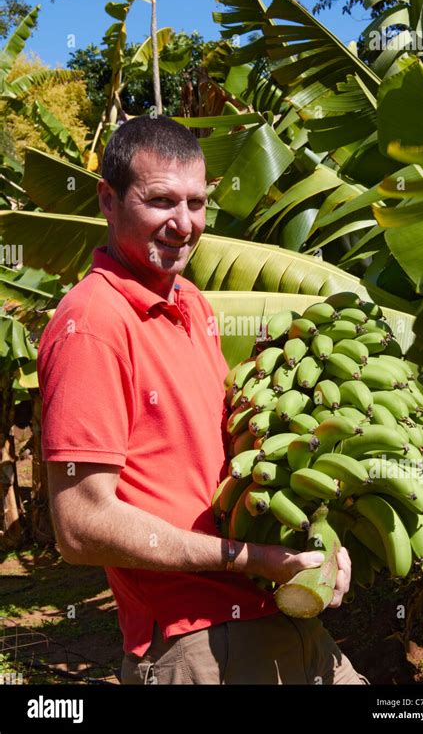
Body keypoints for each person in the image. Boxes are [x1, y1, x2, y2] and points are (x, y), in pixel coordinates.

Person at [37, 115, 369, 685]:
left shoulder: (193, 302)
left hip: (284, 617)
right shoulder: (93, 324)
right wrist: (248, 559)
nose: (183, 224)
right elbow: (80, 524)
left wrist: (309, 546)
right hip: (199, 644)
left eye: (197, 203)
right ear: (108, 200)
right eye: (161, 201)